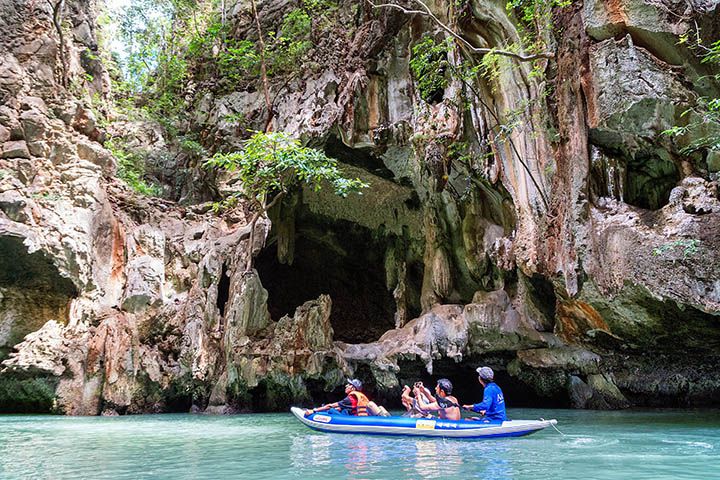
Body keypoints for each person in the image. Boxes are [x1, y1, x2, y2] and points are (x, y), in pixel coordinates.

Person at [305, 379, 370, 416]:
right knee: (341, 409)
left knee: (331, 410)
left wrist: (314, 410)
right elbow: (342, 408)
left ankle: (317, 412)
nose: (346, 386)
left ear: (353, 388)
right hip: (359, 416)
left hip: (354, 418)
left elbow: (330, 406)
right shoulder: (360, 396)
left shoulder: (350, 399)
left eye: (349, 384)